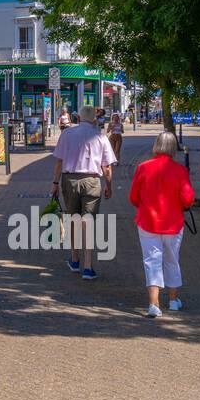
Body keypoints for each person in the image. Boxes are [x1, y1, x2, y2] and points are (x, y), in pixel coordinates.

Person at [129, 131, 195, 317]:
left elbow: (134, 197)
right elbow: (188, 198)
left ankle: (153, 304)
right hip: (173, 222)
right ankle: (173, 301)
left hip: (148, 221)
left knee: (151, 261)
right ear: (174, 148)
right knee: (172, 259)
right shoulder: (180, 170)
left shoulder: (143, 168)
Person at [51, 104, 117, 280]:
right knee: (88, 222)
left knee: (73, 219)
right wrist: (109, 186)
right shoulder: (100, 137)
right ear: (94, 119)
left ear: (78, 119)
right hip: (92, 181)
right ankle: (87, 267)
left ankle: (74, 259)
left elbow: (59, 161)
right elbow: (107, 167)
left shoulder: (67, 134)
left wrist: (55, 184)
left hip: (70, 180)